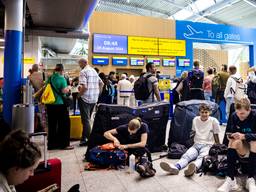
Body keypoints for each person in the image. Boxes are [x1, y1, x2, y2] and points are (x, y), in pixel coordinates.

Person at [160, 103, 220, 177]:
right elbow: (193, 132)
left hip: (208, 145)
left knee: (201, 157)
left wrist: (218, 146)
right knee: (186, 156)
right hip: (196, 144)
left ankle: (193, 167)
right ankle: (176, 167)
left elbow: (216, 134)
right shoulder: (195, 119)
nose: (204, 114)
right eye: (202, 112)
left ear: (209, 112)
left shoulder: (214, 121)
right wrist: (190, 141)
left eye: (206, 112)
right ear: (199, 112)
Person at [217, 98, 256, 192]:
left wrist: (245, 136)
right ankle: (230, 179)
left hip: (253, 146)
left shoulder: (255, 115)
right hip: (243, 147)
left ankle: (250, 179)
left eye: (242, 113)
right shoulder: (234, 116)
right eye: (237, 113)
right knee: (232, 142)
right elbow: (230, 132)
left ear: (249, 110)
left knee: (254, 142)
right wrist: (230, 136)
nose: (239, 116)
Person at [45, 64, 73, 150]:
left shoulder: (50, 78)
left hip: (50, 104)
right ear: (62, 70)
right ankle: (64, 144)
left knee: (52, 125)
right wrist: (69, 88)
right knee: (64, 125)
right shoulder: (62, 78)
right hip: (60, 104)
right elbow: (64, 91)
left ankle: (52, 144)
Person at [77, 58, 103, 146]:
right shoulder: (93, 71)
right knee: (88, 119)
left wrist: (79, 95)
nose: (79, 65)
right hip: (94, 98)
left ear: (84, 63)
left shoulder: (83, 72)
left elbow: (84, 87)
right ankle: (84, 139)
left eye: (79, 64)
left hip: (85, 98)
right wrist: (98, 93)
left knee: (86, 120)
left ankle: (90, 140)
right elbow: (101, 83)